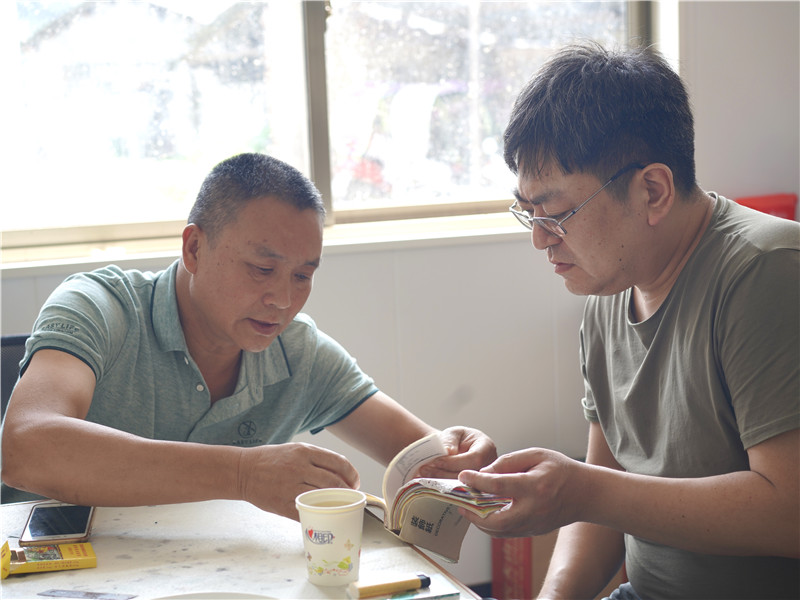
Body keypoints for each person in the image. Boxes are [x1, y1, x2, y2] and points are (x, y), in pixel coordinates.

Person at [457, 43, 800, 599]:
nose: (540, 239)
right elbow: (601, 506)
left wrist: (582, 491)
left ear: (653, 191)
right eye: (529, 212)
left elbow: (791, 510)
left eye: (557, 213)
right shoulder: (607, 294)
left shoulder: (767, 272)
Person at [1, 153, 497, 519]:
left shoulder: (298, 352)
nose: (282, 300)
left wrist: (462, 457)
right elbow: (25, 447)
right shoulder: (100, 307)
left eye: (302, 276)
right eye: (262, 269)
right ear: (194, 249)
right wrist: (243, 475)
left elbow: (425, 459)